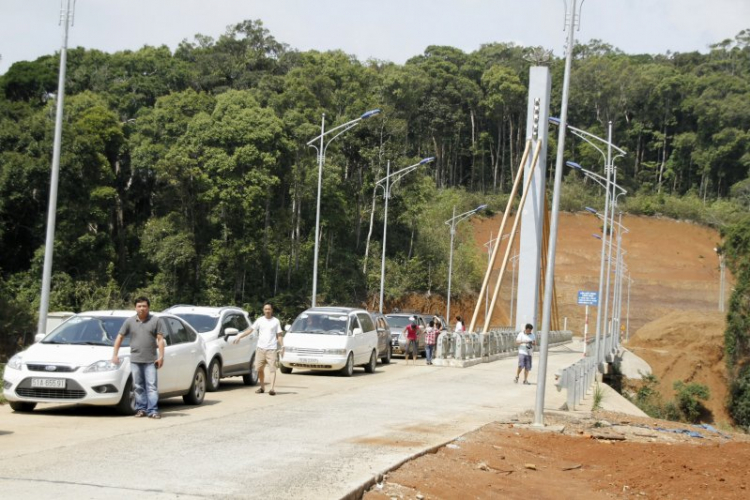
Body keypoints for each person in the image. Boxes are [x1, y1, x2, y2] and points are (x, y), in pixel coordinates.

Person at [112, 296, 166, 419]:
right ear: (135, 307)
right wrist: (115, 355)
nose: (142, 308)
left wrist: (161, 357)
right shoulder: (129, 321)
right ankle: (141, 409)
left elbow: (160, 339)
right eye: (139, 306)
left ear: (148, 307)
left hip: (151, 360)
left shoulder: (155, 321)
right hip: (135, 359)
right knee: (138, 386)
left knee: (151, 386)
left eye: (144, 306)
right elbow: (120, 337)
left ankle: (153, 410)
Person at [234, 303, 283, 396]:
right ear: (263, 310)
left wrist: (282, 346)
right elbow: (250, 330)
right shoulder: (260, 320)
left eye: (269, 309)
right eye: (265, 309)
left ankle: (272, 389)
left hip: (271, 349)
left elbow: (279, 335)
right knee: (259, 369)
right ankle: (262, 387)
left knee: (272, 369)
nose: (267, 311)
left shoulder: (276, 321)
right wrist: (240, 336)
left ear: (272, 310)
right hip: (260, 349)